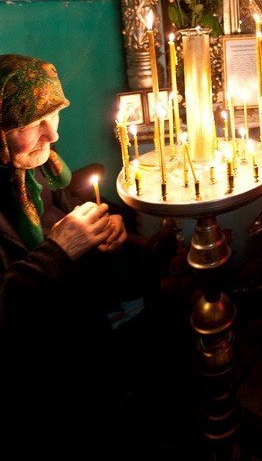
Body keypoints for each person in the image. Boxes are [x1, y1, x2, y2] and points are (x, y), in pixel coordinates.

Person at [0, 54, 137, 455]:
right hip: (33, 384)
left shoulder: (33, 168)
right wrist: (58, 251)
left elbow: (66, 208)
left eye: (54, 115)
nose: (52, 134)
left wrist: (107, 225)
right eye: (30, 124)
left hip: (81, 344)